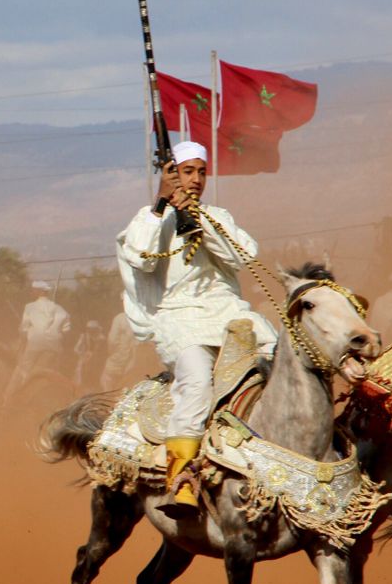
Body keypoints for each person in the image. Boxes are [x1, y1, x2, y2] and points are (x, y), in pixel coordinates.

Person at [116, 141, 275, 513]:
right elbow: (140, 258)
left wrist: (200, 218)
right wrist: (162, 205)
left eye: (202, 172)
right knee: (198, 381)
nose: (197, 179)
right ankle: (182, 480)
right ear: (171, 176)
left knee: (281, 357)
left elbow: (243, 256)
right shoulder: (149, 216)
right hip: (180, 316)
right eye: (188, 171)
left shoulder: (217, 214)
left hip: (228, 311)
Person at [4, 281, 71, 400]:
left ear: (40, 292)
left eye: (33, 290)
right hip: (55, 347)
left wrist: (24, 339)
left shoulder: (29, 307)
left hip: (35, 346)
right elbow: (66, 329)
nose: (31, 292)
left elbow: (23, 329)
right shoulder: (59, 308)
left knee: (22, 369)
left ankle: (14, 397)